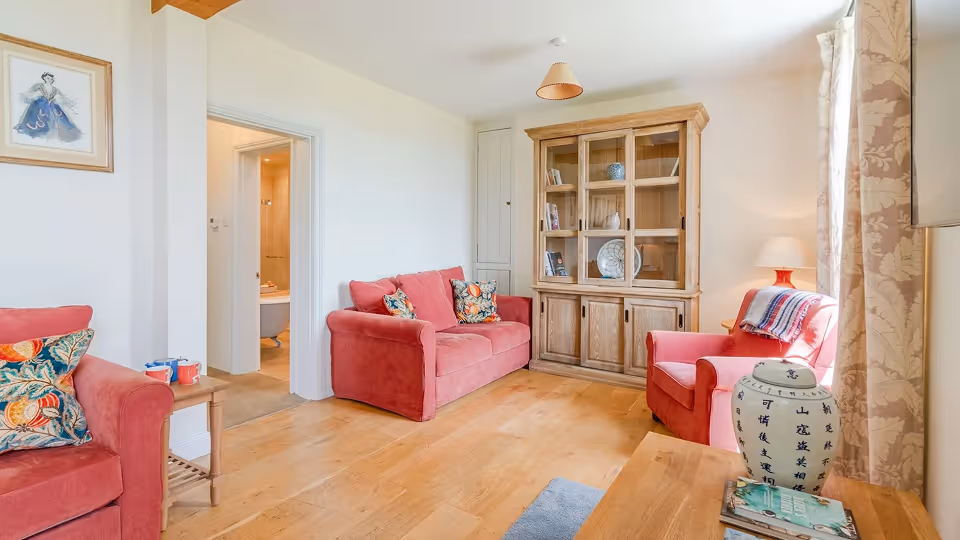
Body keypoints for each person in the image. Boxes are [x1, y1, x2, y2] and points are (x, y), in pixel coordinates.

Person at [14, 72, 82, 143]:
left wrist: (69, 102)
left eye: (51, 78)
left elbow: (63, 96)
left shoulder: (55, 89)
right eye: (48, 78)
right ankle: (40, 131)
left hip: (52, 104)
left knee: (59, 118)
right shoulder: (40, 85)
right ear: (44, 78)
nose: (49, 79)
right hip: (41, 103)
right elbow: (30, 91)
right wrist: (32, 96)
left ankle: (56, 132)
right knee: (37, 115)